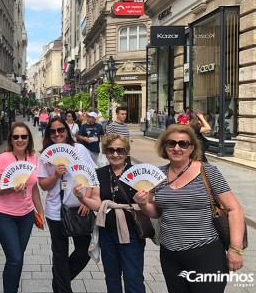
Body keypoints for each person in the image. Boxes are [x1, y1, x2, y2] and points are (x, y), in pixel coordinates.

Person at [134, 124, 245, 293]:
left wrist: (235, 249)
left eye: (183, 144)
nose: (177, 148)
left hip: (206, 253)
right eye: (171, 143)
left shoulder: (208, 171)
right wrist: (143, 205)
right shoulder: (157, 175)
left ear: (192, 148)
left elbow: (234, 209)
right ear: (164, 146)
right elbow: (156, 212)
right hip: (170, 255)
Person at [75, 134, 146, 293]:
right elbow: (97, 202)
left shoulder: (137, 173)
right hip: (107, 232)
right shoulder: (99, 173)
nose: (115, 154)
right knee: (111, 277)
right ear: (105, 152)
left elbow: (148, 201)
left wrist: (143, 201)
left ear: (126, 151)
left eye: (120, 150)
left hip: (132, 233)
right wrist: (82, 198)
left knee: (133, 277)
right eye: (111, 150)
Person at [37, 116, 97, 293]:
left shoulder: (79, 149)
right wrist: (55, 175)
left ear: (67, 131)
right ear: (48, 133)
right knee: (60, 253)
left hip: (79, 208)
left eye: (61, 130)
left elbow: (93, 175)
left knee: (83, 251)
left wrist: (88, 198)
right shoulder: (46, 156)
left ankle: (59, 282)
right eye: (53, 131)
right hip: (55, 211)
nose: (57, 134)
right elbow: (43, 185)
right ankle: (63, 289)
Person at [0, 122, 44, 293]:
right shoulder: (3, 158)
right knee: (15, 258)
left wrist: (40, 210)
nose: (20, 140)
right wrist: (9, 187)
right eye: (16, 137)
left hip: (26, 216)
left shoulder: (32, 157)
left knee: (18, 258)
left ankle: (13, 288)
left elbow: (33, 187)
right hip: (3, 215)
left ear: (29, 139)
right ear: (11, 139)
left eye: (23, 136)